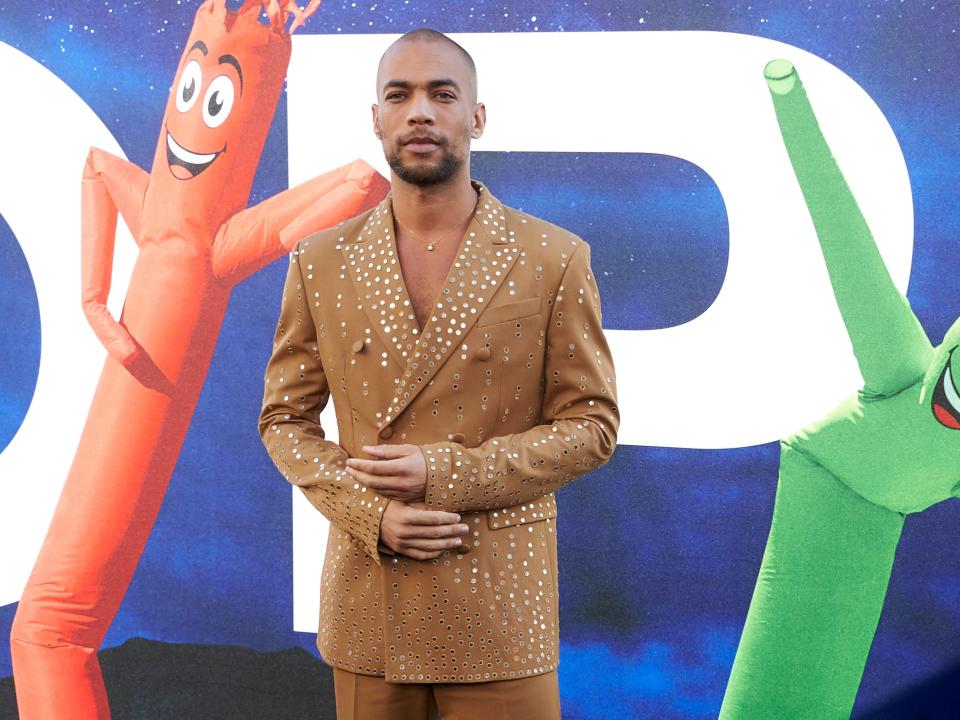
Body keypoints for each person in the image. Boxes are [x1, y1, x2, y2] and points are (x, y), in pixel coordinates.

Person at [258, 28, 619, 720]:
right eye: (399, 95)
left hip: (500, 618)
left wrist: (445, 473)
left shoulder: (553, 257)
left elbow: (593, 428)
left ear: (476, 117)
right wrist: (369, 513)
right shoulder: (320, 261)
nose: (419, 111)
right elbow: (284, 421)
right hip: (371, 614)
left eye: (442, 94)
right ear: (376, 119)